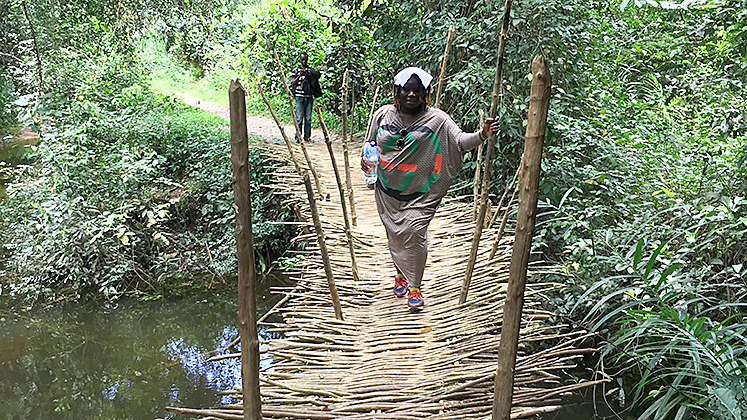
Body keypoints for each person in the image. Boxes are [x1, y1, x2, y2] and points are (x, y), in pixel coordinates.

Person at [362, 67, 498, 311]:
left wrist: (482, 134)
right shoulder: (383, 115)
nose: (411, 95)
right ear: (397, 92)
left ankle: (415, 286)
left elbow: (460, 142)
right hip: (387, 191)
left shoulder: (437, 119)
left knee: (413, 231)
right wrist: (366, 161)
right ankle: (400, 274)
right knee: (396, 234)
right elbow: (370, 143)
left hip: (421, 194)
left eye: (417, 91)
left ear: (425, 94)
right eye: (406, 90)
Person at [290, 52, 321, 143]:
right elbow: (292, 83)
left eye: (305, 60)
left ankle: (307, 137)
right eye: (302, 60)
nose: (304, 62)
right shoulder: (296, 70)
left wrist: (309, 73)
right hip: (299, 97)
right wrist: (299, 75)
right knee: (299, 118)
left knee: (308, 118)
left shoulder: (310, 70)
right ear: (300, 60)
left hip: (309, 97)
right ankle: (298, 137)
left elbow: (317, 75)